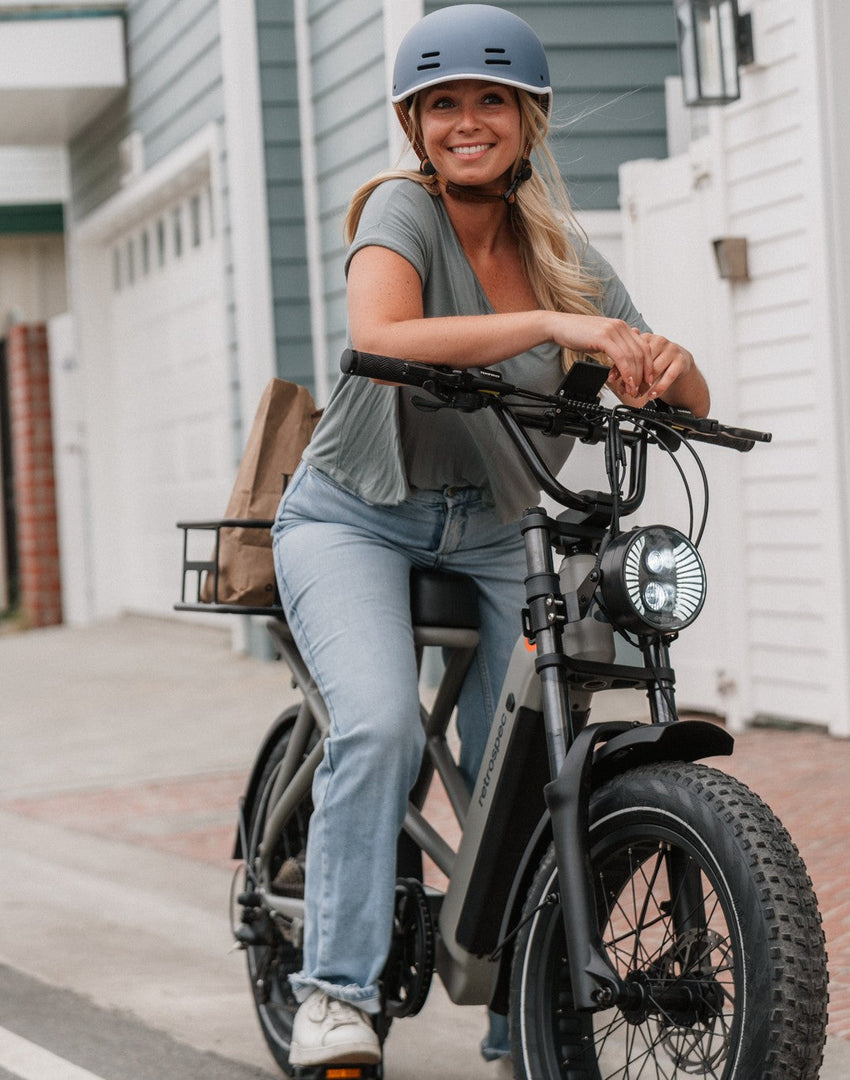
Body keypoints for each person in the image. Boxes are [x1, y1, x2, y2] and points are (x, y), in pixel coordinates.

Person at [272, 3, 710, 1069]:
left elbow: (682, 394)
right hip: (354, 519)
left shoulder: (562, 252)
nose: (468, 122)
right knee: (377, 727)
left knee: (532, 752)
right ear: (416, 124)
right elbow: (381, 333)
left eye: (491, 101)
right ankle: (334, 992)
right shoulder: (400, 213)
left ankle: (526, 1005)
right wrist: (557, 327)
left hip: (496, 534)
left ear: (529, 120)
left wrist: (664, 363)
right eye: (445, 104)